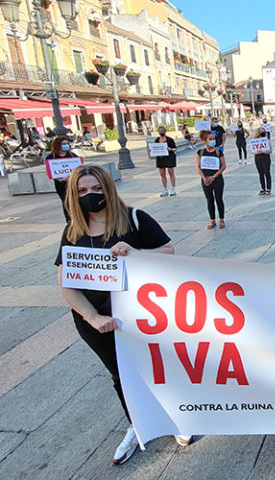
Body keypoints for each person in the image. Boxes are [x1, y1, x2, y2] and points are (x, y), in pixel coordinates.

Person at [54, 164, 190, 465]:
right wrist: (92, 317)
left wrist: (136, 254)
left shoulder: (135, 218)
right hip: (96, 323)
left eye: (96, 188)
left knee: (156, 369)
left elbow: (169, 252)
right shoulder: (72, 232)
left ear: (108, 188)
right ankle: (137, 424)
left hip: (142, 317)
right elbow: (67, 285)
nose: (90, 195)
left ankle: (175, 419)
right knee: (121, 376)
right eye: (82, 191)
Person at [196, 130, 227, 229]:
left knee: (219, 199)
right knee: (209, 200)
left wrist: (214, 177)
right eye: (210, 139)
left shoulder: (218, 152)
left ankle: (221, 219)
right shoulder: (201, 152)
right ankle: (212, 220)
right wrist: (204, 177)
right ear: (205, 141)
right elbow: (198, 167)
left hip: (217, 179)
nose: (213, 141)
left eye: (213, 139)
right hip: (205, 179)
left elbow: (223, 166)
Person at [46, 136, 80, 221]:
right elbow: (48, 171)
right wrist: (60, 178)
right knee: (66, 202)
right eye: (64, 144)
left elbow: (79, 168)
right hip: (61, 184)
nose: (66, 145)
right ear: (58, 145)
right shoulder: (52, 157)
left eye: (67, 143)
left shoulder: (72, 156)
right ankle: (69, 220)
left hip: (73, 182)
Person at [152, 126, 177, 197]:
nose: (161, 132)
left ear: (165, 131)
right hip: (160, 158)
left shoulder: (170, 140)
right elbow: (155, 148)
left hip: (169, 157)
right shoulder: (157, 140)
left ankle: (173, 188)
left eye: (162, 131)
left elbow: (175, 148)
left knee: (171, 173)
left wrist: (170, 149)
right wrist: (151, 150)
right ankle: (165, 189)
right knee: (162, 174)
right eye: (159, 131)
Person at [253, 127, 272, 195]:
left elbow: (270, 151)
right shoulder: (255, 141)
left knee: (267, 172)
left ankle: (268, 188)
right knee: (260, 173)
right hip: (257, 157)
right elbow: (253, 151)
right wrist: (257, 152)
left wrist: (263, 151)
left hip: (265, 157)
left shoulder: (267, 140)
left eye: (264, 130)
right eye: (261, 131)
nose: (263, 132)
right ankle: (263, 188)